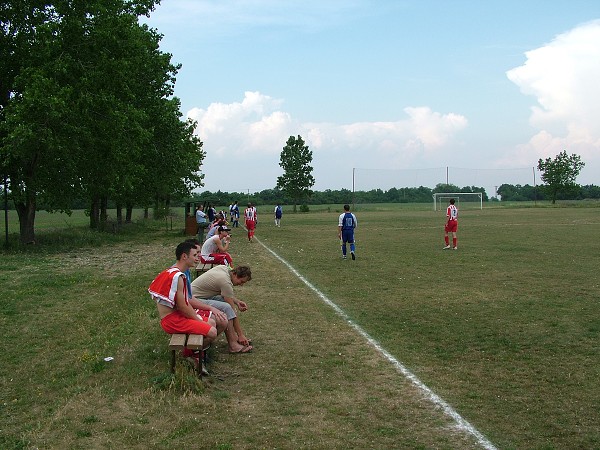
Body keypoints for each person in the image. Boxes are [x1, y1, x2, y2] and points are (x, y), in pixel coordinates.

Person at [148, 241, 219, 370]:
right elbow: (182, 307)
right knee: (212, 332)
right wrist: (197, 319)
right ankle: (188, 355)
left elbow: (184, 304)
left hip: (177, 316)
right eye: (194, 255)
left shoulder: (176, 272)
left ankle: (192, 355)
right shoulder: (177, 276)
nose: (198, 258)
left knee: (212, 322)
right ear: (184, 257)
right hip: (171, 321)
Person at [192, 265, 253, 353]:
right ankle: (233, 345)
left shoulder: (224, 269)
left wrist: (237, 302)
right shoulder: (225, 282)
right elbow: (231, 310)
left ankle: (234, 338)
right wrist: (241, 334)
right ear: (235, 275)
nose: (241, 284)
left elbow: (225, 296)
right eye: (241, 281)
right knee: (226, 308)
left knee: (226, 305)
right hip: (194, 300)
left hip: (196, 296)